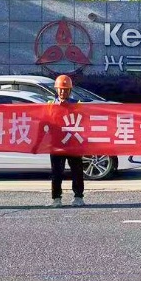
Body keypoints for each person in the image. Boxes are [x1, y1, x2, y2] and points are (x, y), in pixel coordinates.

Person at [49, 74, 85, 208]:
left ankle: (78, 196)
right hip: (56, 144)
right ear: (56, 90)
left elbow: (84, 122)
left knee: (77, 171)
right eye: (60, 89)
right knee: (56, 173)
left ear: (70, 90)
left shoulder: (77, 105)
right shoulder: (50, 105)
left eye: (65, 90)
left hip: (73, 143)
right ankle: (56, 198)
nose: (63, 92)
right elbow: (44, 124)